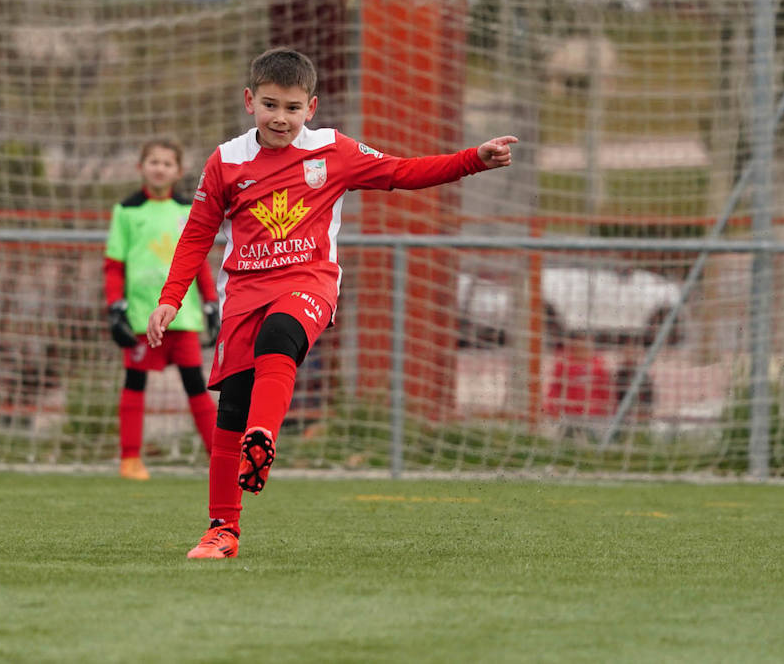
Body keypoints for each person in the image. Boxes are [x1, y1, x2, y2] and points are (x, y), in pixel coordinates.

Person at [145, 46, 516, 559]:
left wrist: (472, 160)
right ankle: (222, 532)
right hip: (243, 293)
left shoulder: (333, 151)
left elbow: (401, 172)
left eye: (292, 108)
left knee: (281, 335)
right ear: (249, 101)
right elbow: (196, 235)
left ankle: (264, 436)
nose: (281, 118)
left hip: (309, 282)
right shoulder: (226, 162)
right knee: (229, 409)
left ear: (311, 108)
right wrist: (170, 299)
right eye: (271, 105)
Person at [105, 139, 221, 480]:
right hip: (141, 315)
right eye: (153, 161)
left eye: (167, 163)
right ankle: (130, 459)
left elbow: (197, 261)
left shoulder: (188, 211)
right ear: (141, 167)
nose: (159, 168)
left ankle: (219, 458)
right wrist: (116, 306)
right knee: (135, 382)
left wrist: (211, 302)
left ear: (179, 171)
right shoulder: (126, 211)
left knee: (195, 385)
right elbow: (114, 265)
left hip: (182, 316)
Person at [544, 332, 614, 439]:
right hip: (569, 414)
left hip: (593, 415)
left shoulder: (598, 364)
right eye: (579, 341)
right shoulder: (564, 363)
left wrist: (610, 409)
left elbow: (605, 390)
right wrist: (551, 407)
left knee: (592, 441)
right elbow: (555, 388)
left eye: (585, 341)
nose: (582, 345)